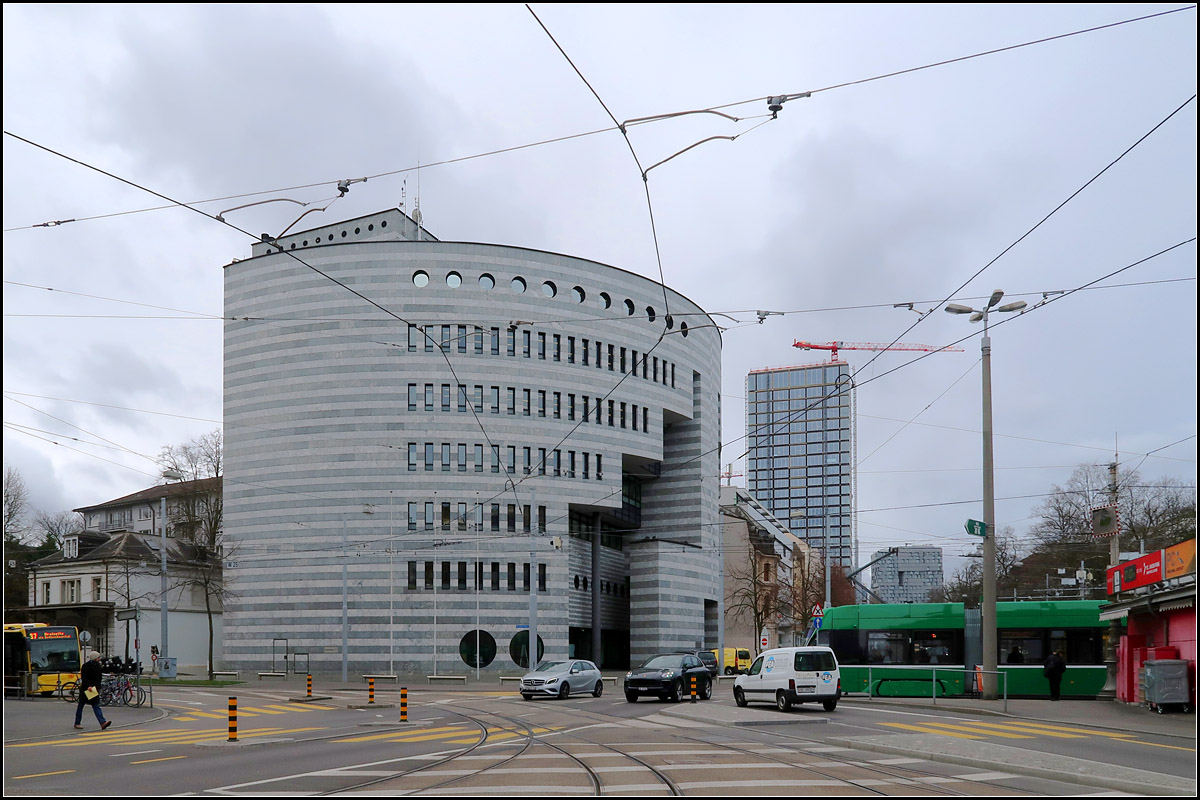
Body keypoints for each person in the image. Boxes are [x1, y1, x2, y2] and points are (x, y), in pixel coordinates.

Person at [74, 651, 112, 730]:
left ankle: (102, 723)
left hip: (93, 689)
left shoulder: (98, 666)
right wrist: (88, 686)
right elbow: (84, 678)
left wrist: (97, 687)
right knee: (81, 705)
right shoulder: (85, 666)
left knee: (95, 705)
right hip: (86, 689)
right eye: (98, 657)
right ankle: (77, 722)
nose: (99, 659)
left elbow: (99, 678)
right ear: (94, 658)